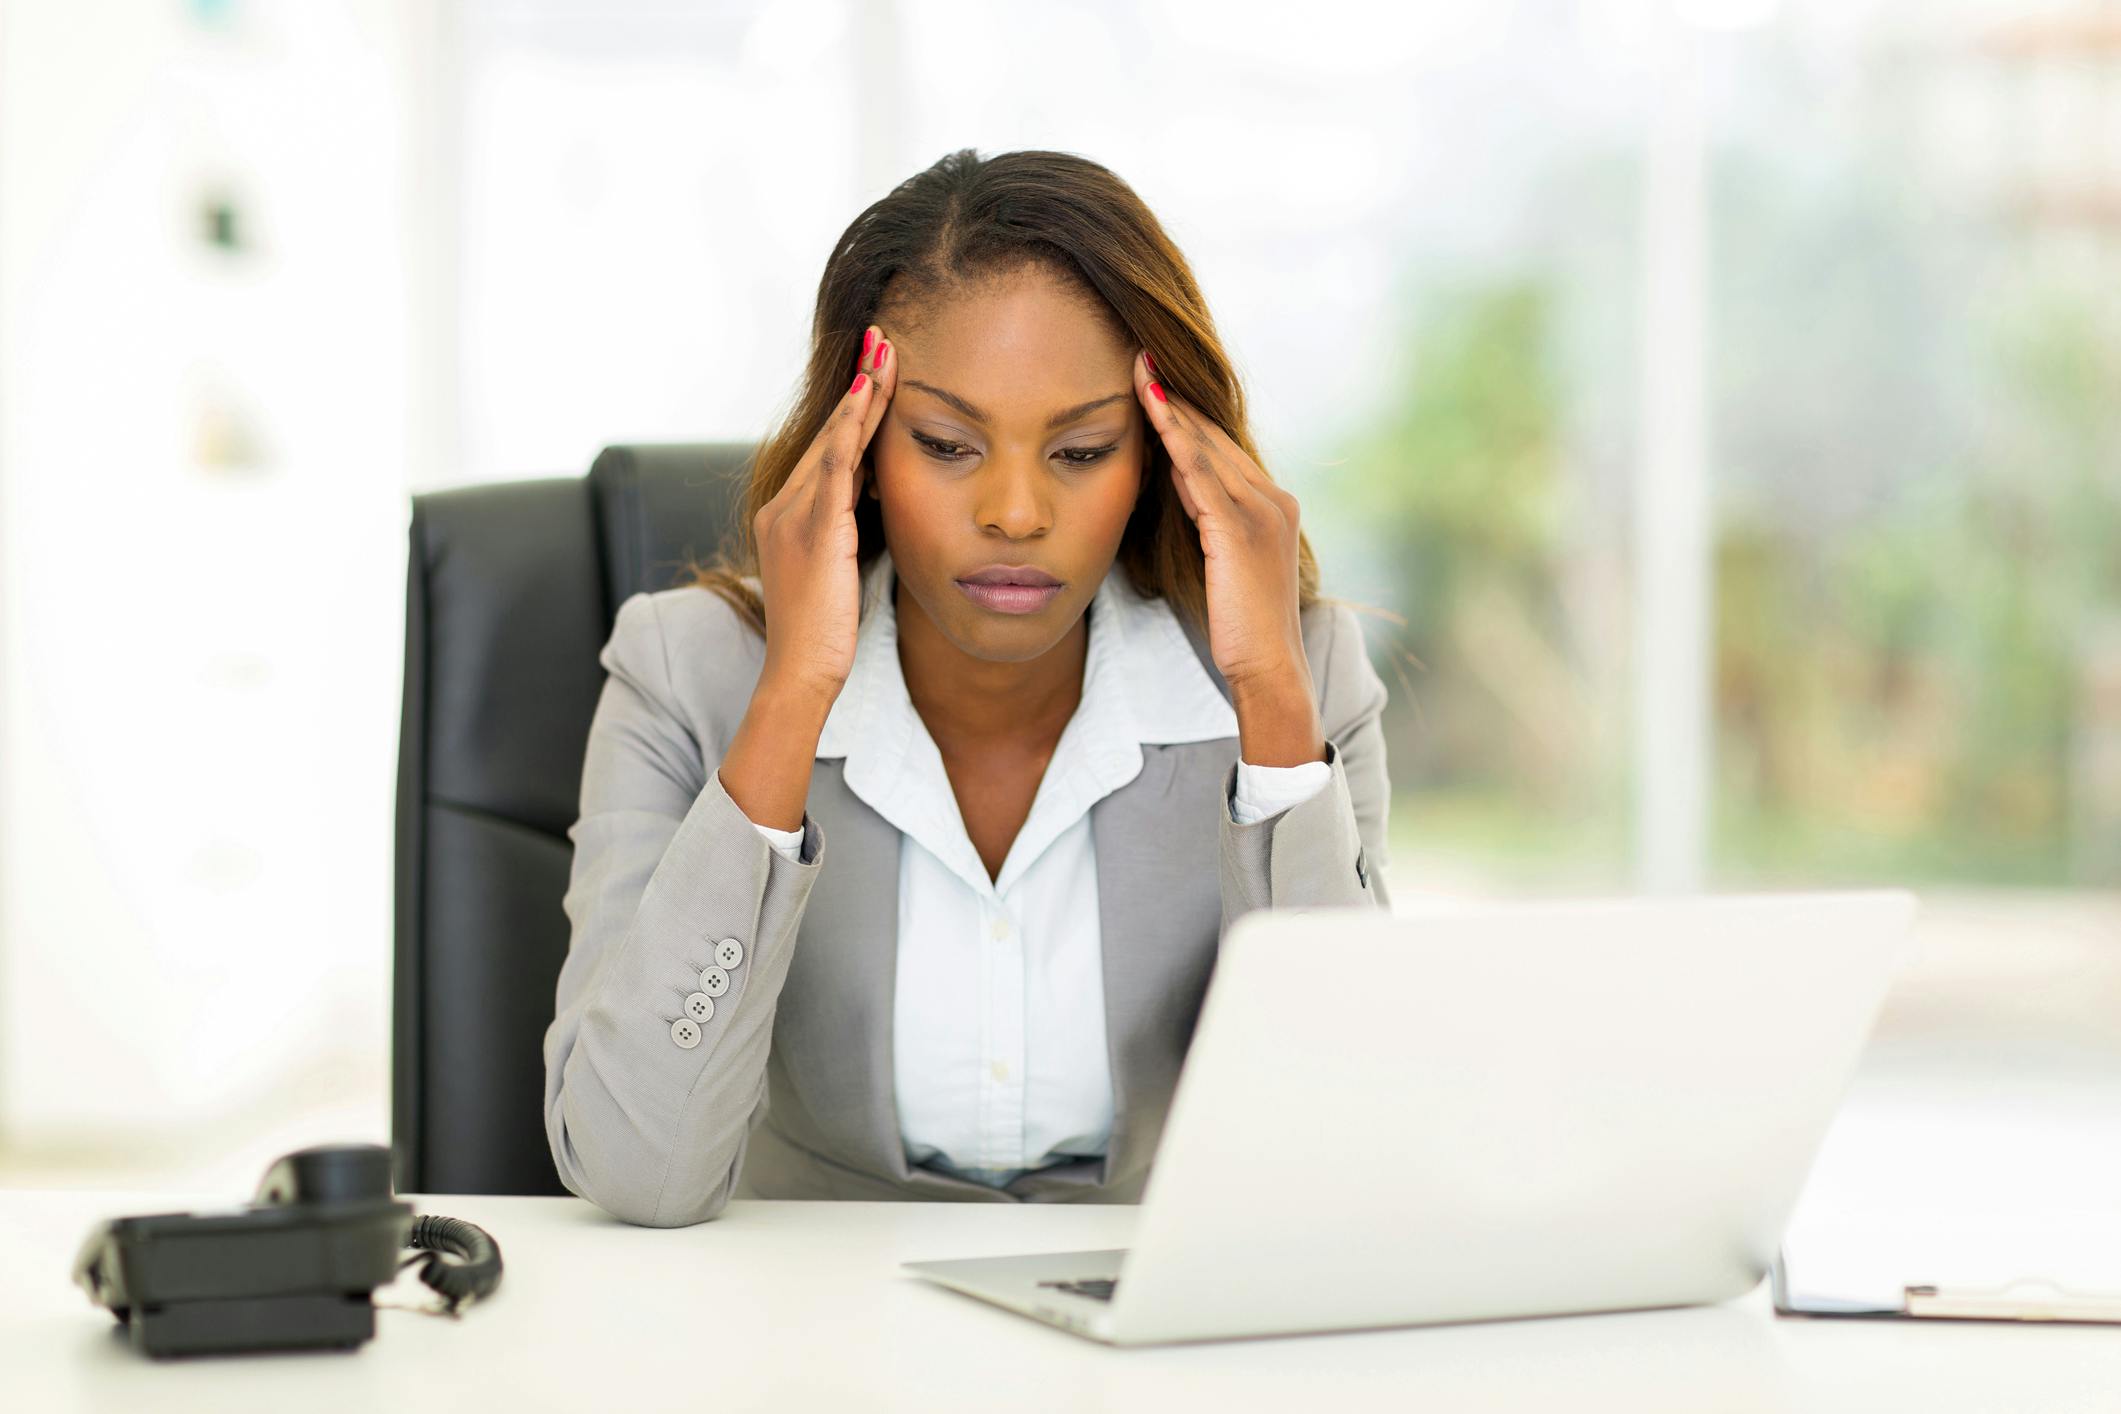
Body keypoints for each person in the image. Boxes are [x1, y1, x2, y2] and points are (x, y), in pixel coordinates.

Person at [543, 148, 1392, 1227]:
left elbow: (1348, 1153)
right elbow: (633, 1168)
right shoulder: (686, 671)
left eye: (1082, 451)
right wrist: (791, 701)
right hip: (798, 1338)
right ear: (857, 446)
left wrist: (1269, 702)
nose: (1015, 511)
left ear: (1160, 461)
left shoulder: (1299, 676)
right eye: (947, 443)